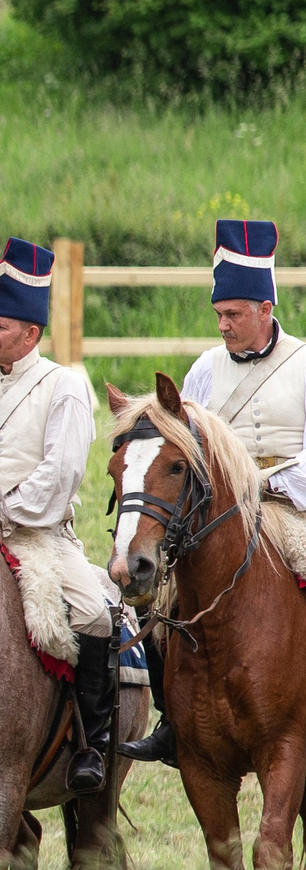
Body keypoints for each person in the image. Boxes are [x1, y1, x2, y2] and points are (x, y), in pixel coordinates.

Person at [121, 218, 306, 767]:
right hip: (220, 514)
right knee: (158, 605)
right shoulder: (203, 369)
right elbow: (183, 446)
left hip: (289, 507)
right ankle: (171, 719)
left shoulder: (304, 364)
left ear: (265, 311)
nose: (222, 325)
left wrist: (264, 481)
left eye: (233, 315)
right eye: (219, 315)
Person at [0, 238, 120, 793]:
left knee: (94, 615)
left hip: (38, 535)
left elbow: (60, 476)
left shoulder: (64, 385)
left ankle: (91, 744)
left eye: (1, 324)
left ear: (32, 332)